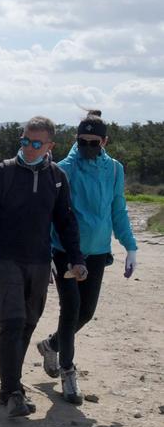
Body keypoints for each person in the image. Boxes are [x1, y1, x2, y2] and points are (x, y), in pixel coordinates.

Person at [0, 115, 87, 417]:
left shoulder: (57, 177)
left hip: (40, 262)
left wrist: (76, 258)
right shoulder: (3, 173)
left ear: (50, 145)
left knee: (27, 324)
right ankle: (13, 391)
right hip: (7, 259)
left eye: (36, 143)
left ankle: (7, 388)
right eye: (25, 141)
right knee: (11, 324)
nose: (29, 148)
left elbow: (66, 221)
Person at [35, 111, 138, 405]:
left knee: (87, 312)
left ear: (105, 141)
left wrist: (130, 247)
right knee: (71, 310)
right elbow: (53, 215)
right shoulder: (63, 169)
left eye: (94, 142)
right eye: (83, 141)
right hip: (66, 251)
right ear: (76, 140)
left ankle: (51, 344)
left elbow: (118, 210)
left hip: (97, 252)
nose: (88, 146)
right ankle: (68, 372)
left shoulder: (115, 170)